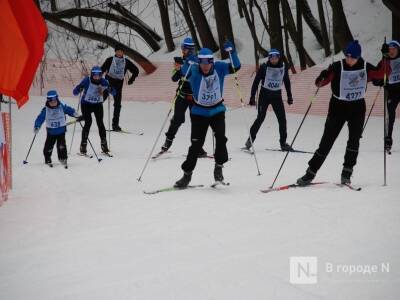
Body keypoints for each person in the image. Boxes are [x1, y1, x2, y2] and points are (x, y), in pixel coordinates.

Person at [297, 40, 386, 185]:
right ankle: (310, 173)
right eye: (347, 56)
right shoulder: (338, 67)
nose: (349, 59)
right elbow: (320, 83)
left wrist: (386, 57)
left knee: (354, 141)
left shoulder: (365, 67)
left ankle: (347, 173)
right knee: (326, 142)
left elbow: (382, 73)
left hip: (357, 108)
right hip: (338, 108)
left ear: (358, 57)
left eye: (353, 57)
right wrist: (323, 76)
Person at [174, 41, 240, 188]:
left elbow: (236, 67)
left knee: (221, 139)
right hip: (199, 112)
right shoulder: (195, 69)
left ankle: (218, 167)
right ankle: (187, 175)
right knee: (196, 145)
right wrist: (187, 63)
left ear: (212, 61)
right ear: (199, 62)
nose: (205, 66)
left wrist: (232, 52)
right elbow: (183, 73)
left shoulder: (220, 67)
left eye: (208, 62)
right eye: (202, 62)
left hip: (217, 110)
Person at [160, 37, 207, 157]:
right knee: (178, 119)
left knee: (196, 122)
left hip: (194, 97)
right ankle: (168, 142)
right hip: (182, 95)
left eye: (185, 49)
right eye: (182, 48)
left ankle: (198, 147)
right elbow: (174, 78)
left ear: (191, 50)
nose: (183, 51)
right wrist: (178, 68)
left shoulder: (198, 61)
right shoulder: (180, 61)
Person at [244, 49, 294, 151]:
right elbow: (256, 82)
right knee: (260, 118)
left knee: (282, 120)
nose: (273, 59)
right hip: (264, 96)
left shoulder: (283, 67)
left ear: (278, 57)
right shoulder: (264, 67)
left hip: (277, 97)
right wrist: (252, 97)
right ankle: (250, 140)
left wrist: (289, 96)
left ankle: (283, 143)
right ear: (269, 58)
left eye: (275, 57)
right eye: (271, 57)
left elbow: (287, 82)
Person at [34, 90, 80, 167]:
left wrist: (74, 113)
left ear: (57, 99)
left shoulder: (62, 106)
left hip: (61, 131)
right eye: (51, 102)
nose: (53, 103)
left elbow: (69, 110)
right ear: (48, 101)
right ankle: (47, 158)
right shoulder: (46, 110)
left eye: (54, 101)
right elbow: (40, 118)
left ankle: (63, 158)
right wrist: (37, 126)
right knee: (48, 146)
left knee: (61, 146)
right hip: (51, 132)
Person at [73, 66, 112, 155]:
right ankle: (83, 144)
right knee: (88, 122)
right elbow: (74, 92)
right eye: (95, 75)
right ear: (92, 75)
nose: (97, 77)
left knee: (100, 123)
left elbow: (114, 92)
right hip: (86, 104)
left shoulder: (104, 81)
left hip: (98, 105)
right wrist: (78, 89)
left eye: (99, 75)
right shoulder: (86, 80)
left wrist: (110, 89)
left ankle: (104, 144)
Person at [101, 43, 139, 131]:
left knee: (117, 105)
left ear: (123, 53)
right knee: (99, 100)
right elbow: (101, 69)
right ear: (115, 52)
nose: (119, 53)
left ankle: (115, 125)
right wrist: (97, 80)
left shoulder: (126, 62)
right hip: (108, 83)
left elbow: (136, 70)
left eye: (121, 51)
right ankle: (86, 115)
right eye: (117, 51)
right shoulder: (110, 60)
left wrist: (131, 79)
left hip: (118, 85)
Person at [379, 40, 400, 152]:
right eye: (390, 49)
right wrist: (383, 56)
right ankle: (388, 139)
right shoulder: (386, 61)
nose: (392, 51)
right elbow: (378, 73)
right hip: (392, 91)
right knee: (390, 114)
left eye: (394, 49)